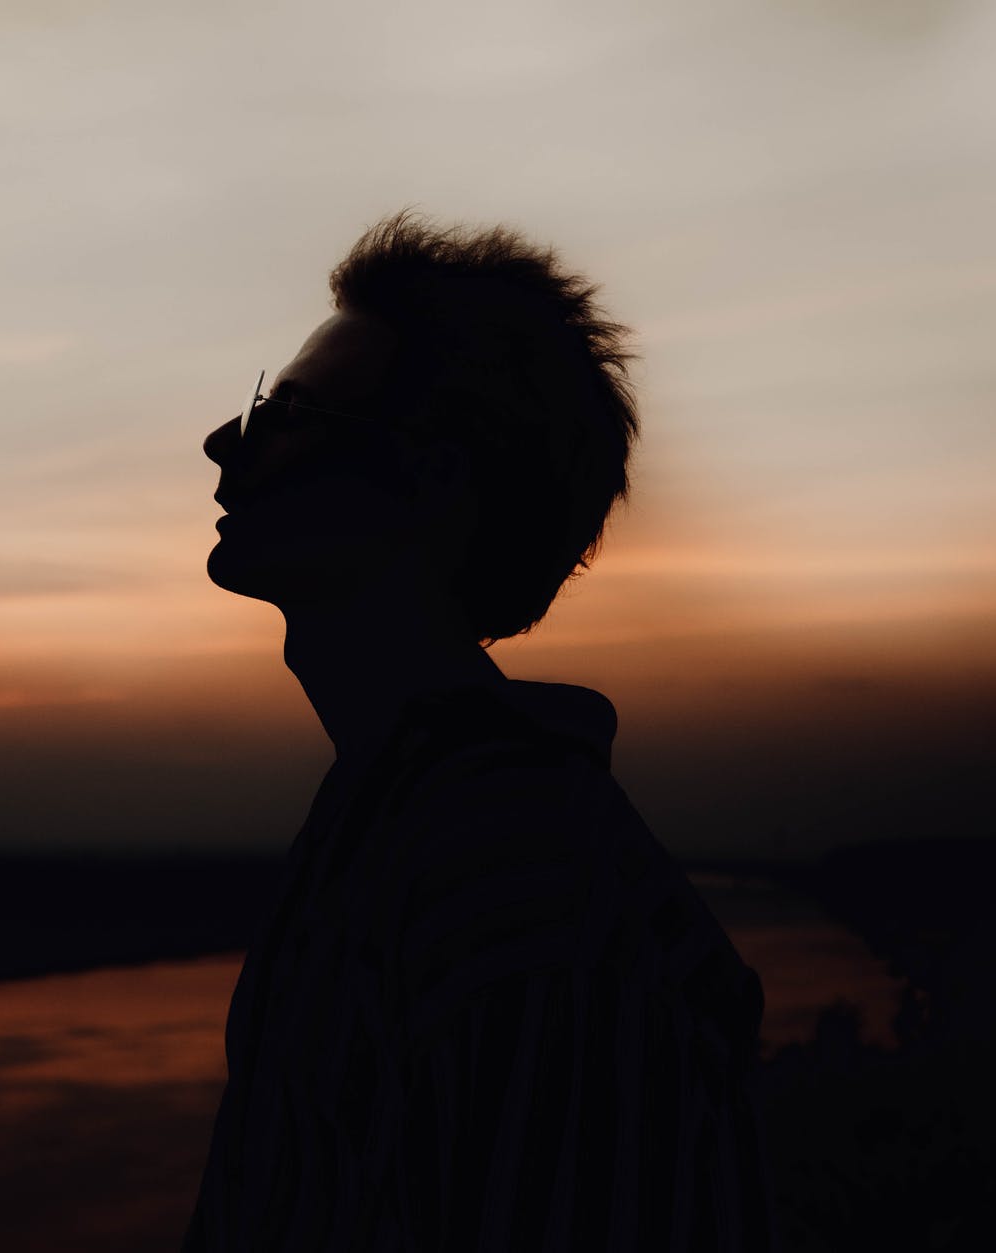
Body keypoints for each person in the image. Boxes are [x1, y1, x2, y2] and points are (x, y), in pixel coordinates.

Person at [181, 211, 778, 1252]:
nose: (227, 440)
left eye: (290, 414)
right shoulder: (401, 809)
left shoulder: (512, 868)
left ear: (431, 481)